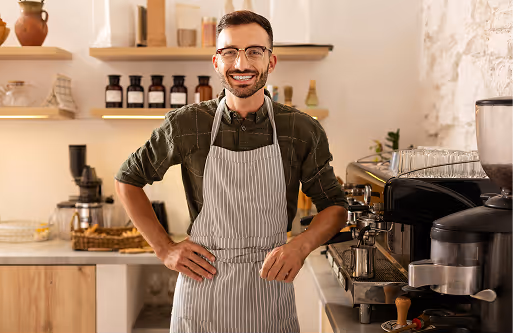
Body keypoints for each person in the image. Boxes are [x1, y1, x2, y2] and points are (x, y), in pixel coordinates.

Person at [115, 10, 348, 333]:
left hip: (269, 288)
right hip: (203, 289)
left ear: (271, 61)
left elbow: (335, 207)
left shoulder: (300, 129)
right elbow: (128, 180)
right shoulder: (187, 124)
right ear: (216, 62)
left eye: (254, 51)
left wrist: (301, 245)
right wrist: (164, 248)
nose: (241, 64)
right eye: (230, 52)